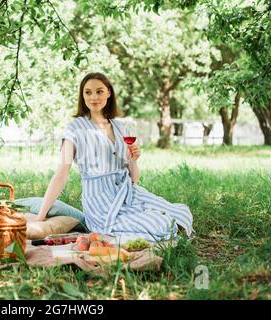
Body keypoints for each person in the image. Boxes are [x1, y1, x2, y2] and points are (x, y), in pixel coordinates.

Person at [35, 72, 194, 242]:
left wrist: (133, 159)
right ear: (82, 96)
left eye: (99, 91)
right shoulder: (75, 129)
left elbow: (134, 178)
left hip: (128, 193)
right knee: (161, 224)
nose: (94, 97)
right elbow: (61, 174)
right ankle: (147, 225)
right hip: (101, 202)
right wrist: (41, 215)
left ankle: (153, 221)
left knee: (182, 211)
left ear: (109, 93)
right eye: (88, 92)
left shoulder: (120, 127)